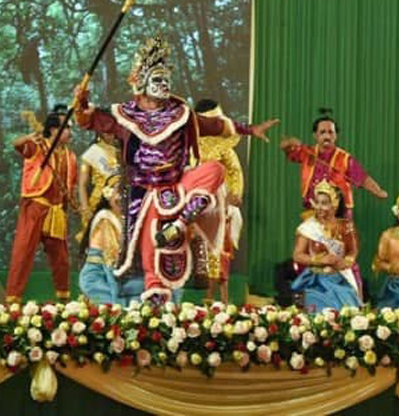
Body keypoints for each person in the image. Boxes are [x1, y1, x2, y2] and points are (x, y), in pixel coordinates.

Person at [74, 35, 278, 303]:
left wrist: (250, 129)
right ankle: (154, 299)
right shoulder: (124, 116)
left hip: (177, 183)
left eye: (166, 79)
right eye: (158, 79)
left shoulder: (180, 113)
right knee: (151, 252)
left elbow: (214, 125)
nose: (164, 84)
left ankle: (181, 223)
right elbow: (88, 120)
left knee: (215, 169)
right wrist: (81, 102)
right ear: (142, 83)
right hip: (144, 192)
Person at [6, 105, 77, 304]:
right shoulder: (38, 146)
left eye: (70, 128)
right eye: (65, 127)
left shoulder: (70, 156)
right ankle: (12, 300)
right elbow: (17, 145)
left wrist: (71, 206)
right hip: (35, 206)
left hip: (56, 211)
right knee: (23, 252)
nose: (69, 132)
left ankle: (64, 300)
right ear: (53, 129)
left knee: (61, 258)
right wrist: (28, 137)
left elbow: (70, 185)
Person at [280, 109, 389, 217]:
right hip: (313, 210)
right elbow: (288, 150)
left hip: (339, 214)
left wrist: (377, 191)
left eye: (330, 132)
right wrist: (288, 143)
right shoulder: (307, 153)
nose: (327, 136)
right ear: (315, 135)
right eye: (322, 132)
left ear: (336, 135)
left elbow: (362, 178)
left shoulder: (345, 158)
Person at [195, 99, 244, 304]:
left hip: (219, 201)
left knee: (220, 246)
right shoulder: (189, 143)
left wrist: (235, 194)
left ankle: (220, 297)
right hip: (193, 200)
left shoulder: (223, 146)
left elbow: (234, 171)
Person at [291, 181, 360, 311]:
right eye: (317, 202)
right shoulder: (308, 227)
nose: (319, 207)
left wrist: (346, 262)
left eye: (324, 203)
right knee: (317, 306)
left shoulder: (346, 226)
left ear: (335, 204)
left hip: (339, 277)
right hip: (315, 280)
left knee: (348, 306)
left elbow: (352, 251)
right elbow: (297, 255)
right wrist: (320, 260)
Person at [77, 179, 124, 304]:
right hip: (99, 277)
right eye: (117, 192)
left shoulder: (124, 218)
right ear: (107, 195)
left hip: (116, 275)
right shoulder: (105, 218)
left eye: (125, 192)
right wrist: (116, 295)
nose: (121, 197)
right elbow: (110, 258)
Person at [76, 133, 120, 242]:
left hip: (120, 201)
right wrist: (85, 208)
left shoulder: (123, 150)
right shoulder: (93, 152)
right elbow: (82, 184)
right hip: (99, 201)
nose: (110, 133)